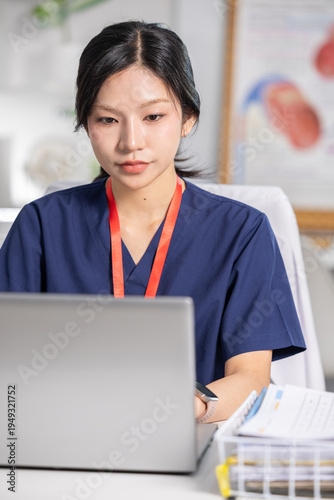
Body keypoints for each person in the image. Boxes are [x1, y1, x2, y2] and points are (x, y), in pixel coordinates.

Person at [0, 21, 306, 423]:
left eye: (153, 117)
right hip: (60, 434)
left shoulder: (242, 233)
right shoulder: (41, 225)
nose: (131, 142)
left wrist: (180, 412)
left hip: (189, 440)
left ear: (188, 118)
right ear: (85, 125)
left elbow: (252, 379)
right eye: (108, 120)